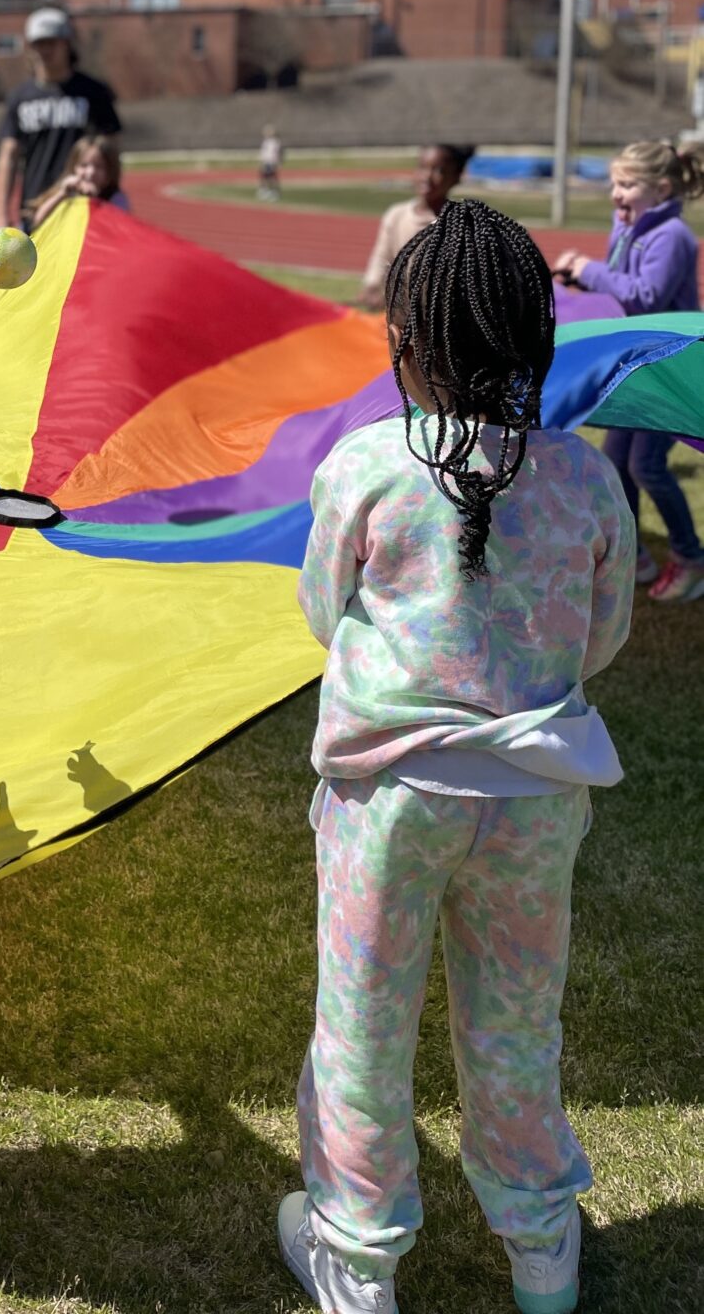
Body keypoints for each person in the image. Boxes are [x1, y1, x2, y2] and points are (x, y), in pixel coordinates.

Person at [281, 198, 633, 1314]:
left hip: (388, 800)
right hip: (532, 799)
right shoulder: (584, 478)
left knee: (361, 1033)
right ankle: (540, 1250)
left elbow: (318, 611)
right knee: (516, 1026)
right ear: (533, 339)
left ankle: (359, 1261)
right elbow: (603, 630)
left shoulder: (362, 468)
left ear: (404, 342)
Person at [554, 139, 704, 602]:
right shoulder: (628, 226)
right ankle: (633, 554)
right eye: (613, 184)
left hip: (665, 365)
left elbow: (646, 297)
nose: (615, 194)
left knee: (646, 465)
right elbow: (620, 293)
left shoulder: (673, 236)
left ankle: (691, 558)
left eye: (626, 184)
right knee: (616, 462)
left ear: (659, 188)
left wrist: (590, 268)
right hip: (636, 364)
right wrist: (579, 279)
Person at [0, 7, 120, 233]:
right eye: (38, 43)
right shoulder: (20, 98)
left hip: (84, 205)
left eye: (51, 42)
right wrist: (2, 213)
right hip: (36, 205)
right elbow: (8, 155)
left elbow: (111, 151)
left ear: (67, 43)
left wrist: (110, 195)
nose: (45, 50)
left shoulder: (94, 93)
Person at [360, 144, 474, 309]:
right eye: (422, 167)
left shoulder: (457, 222)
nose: (427, 176)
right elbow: (381, 256)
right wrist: (372, 286)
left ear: (456, 177)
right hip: (398, 313)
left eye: (439, 170)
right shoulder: (397, 215)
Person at [29, 136, 130, 231]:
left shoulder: (117, 198)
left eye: (99, 166)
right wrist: (62, 194)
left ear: (110, 171)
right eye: (84, 165)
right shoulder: (66, 193)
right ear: (74, 167)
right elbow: (38, 221)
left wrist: (94, 201)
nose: (90, 172)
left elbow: (118, 228)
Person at [258, 125, 284, 202]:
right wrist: (262, 161)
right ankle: (265, 191)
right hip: (266, 161)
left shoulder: (275, 142)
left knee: (272, 177)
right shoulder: (265, 141)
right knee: (265, 177)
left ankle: (275, 192)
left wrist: (278, 161)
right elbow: (263, 153)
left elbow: (278, 152)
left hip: (272, 161)